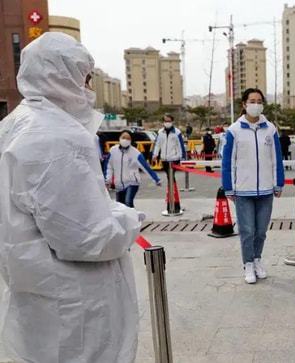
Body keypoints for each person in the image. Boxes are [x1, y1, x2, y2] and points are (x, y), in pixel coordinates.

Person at [0, 32, 142, 362]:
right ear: (62, 75)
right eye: (85, 78)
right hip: (77, 303)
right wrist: (128, 217)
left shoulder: (13, 126)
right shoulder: (59, 136)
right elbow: (88, 237)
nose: (88, 88)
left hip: (34, 292)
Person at [222, 88, 285, 284]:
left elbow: (277, 158)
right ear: (244, 104)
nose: (256, 104)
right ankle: (248, 263)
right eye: (252, 101)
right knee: (247, 230)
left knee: (261, 231)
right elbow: (228, 162)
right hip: (243, 190)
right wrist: (228, 187)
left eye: (259, 101)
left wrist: (278, 183)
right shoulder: (234, 130)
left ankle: (257, 259)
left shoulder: (270, 129)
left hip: (266, 189)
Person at [105, 130, 162, 208]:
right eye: (123, 137)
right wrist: (108, 180)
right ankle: (127, 219)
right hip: (118, 184)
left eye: (128, 138)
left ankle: (133, 219)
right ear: (119, 138)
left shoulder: (136, 153)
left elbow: (145, 167)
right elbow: (109, 166)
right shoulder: (113, 150)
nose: (125, 140)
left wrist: (156, 179)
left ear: (131, 140)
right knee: (121, 207)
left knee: (128, 202)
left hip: (132, 182)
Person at [152, 114, 187, 211]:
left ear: (172, 121)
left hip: (174, 158)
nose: (167, 122)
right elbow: (157, 144)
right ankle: (173, 202)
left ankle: (173, 203)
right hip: (164, 159)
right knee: (170, 178)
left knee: (170, 178)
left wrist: (182, 157)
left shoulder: (177, 132)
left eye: (169, 121)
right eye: (165, 121)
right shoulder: (160, 132)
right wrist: (154, 155)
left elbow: (180, 145)